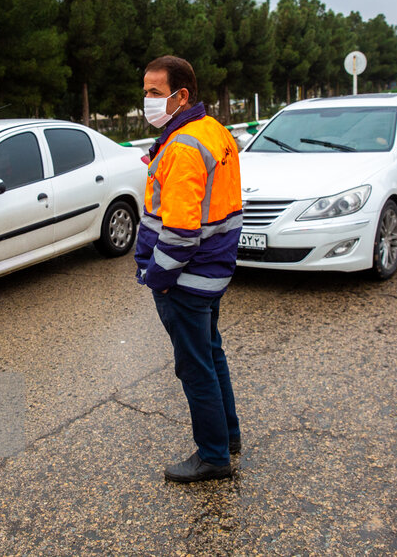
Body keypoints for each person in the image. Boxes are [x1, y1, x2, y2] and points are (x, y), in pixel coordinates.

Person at [134, 55, 243, 483]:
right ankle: (228, 435)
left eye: (155, 93)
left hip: (185, 279)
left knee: (194, 366)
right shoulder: (212, 131)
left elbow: (179, 232)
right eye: (145, 92)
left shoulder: (182, 146)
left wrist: (157, 279)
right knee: (211, 354)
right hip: (213, 271)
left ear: (181, 95)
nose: (147, 101)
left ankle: (214, 456)